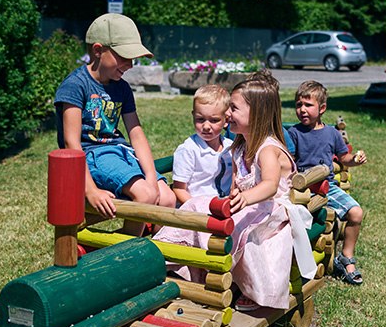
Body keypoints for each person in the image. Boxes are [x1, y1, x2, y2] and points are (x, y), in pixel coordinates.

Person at [153, 73, 316, 311]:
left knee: (240, 229)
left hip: (271, 211)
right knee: (198, 206)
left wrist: (246, 198)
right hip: (247, 205)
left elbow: (270, 185)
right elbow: (236, 183)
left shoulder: (267, 149)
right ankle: (165, 254)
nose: (227, 113)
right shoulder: (239, 145)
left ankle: (230, 276)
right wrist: (232, 199)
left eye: (234, 108)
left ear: (256, 115)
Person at [54, 13, 175, 235]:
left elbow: (136, 134)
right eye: (124, 57)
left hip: (120, 152)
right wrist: (90, 191)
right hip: (93, 156)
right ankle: (125, 258)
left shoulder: (122, 87)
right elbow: (71, 144)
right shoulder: (75, 86)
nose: (129, 65)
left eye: (133, 59)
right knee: (146, 195)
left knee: (167, 197)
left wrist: (150, 177)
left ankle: (155, 254)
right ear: (98, 51)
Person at [287, 80, 368, 285]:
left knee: (356, 212)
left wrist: (355, 159)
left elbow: (343, 158)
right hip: (302, 188)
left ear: (322, 108)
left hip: (327, 187)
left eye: (308, 105)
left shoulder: (331, 133)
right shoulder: (293, 133)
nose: (302, 109)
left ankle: (346, 256)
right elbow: (289, 163)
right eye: (298, 105)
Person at [171, 84, 233, 204]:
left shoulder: (230, 147)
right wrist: (198, 208)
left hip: (225, 206)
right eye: (200, 119)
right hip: (197, 209)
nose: (206, 126)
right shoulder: (189, 149)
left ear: (226, 120)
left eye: (214, 120)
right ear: (193, 116)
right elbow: (179, 189)